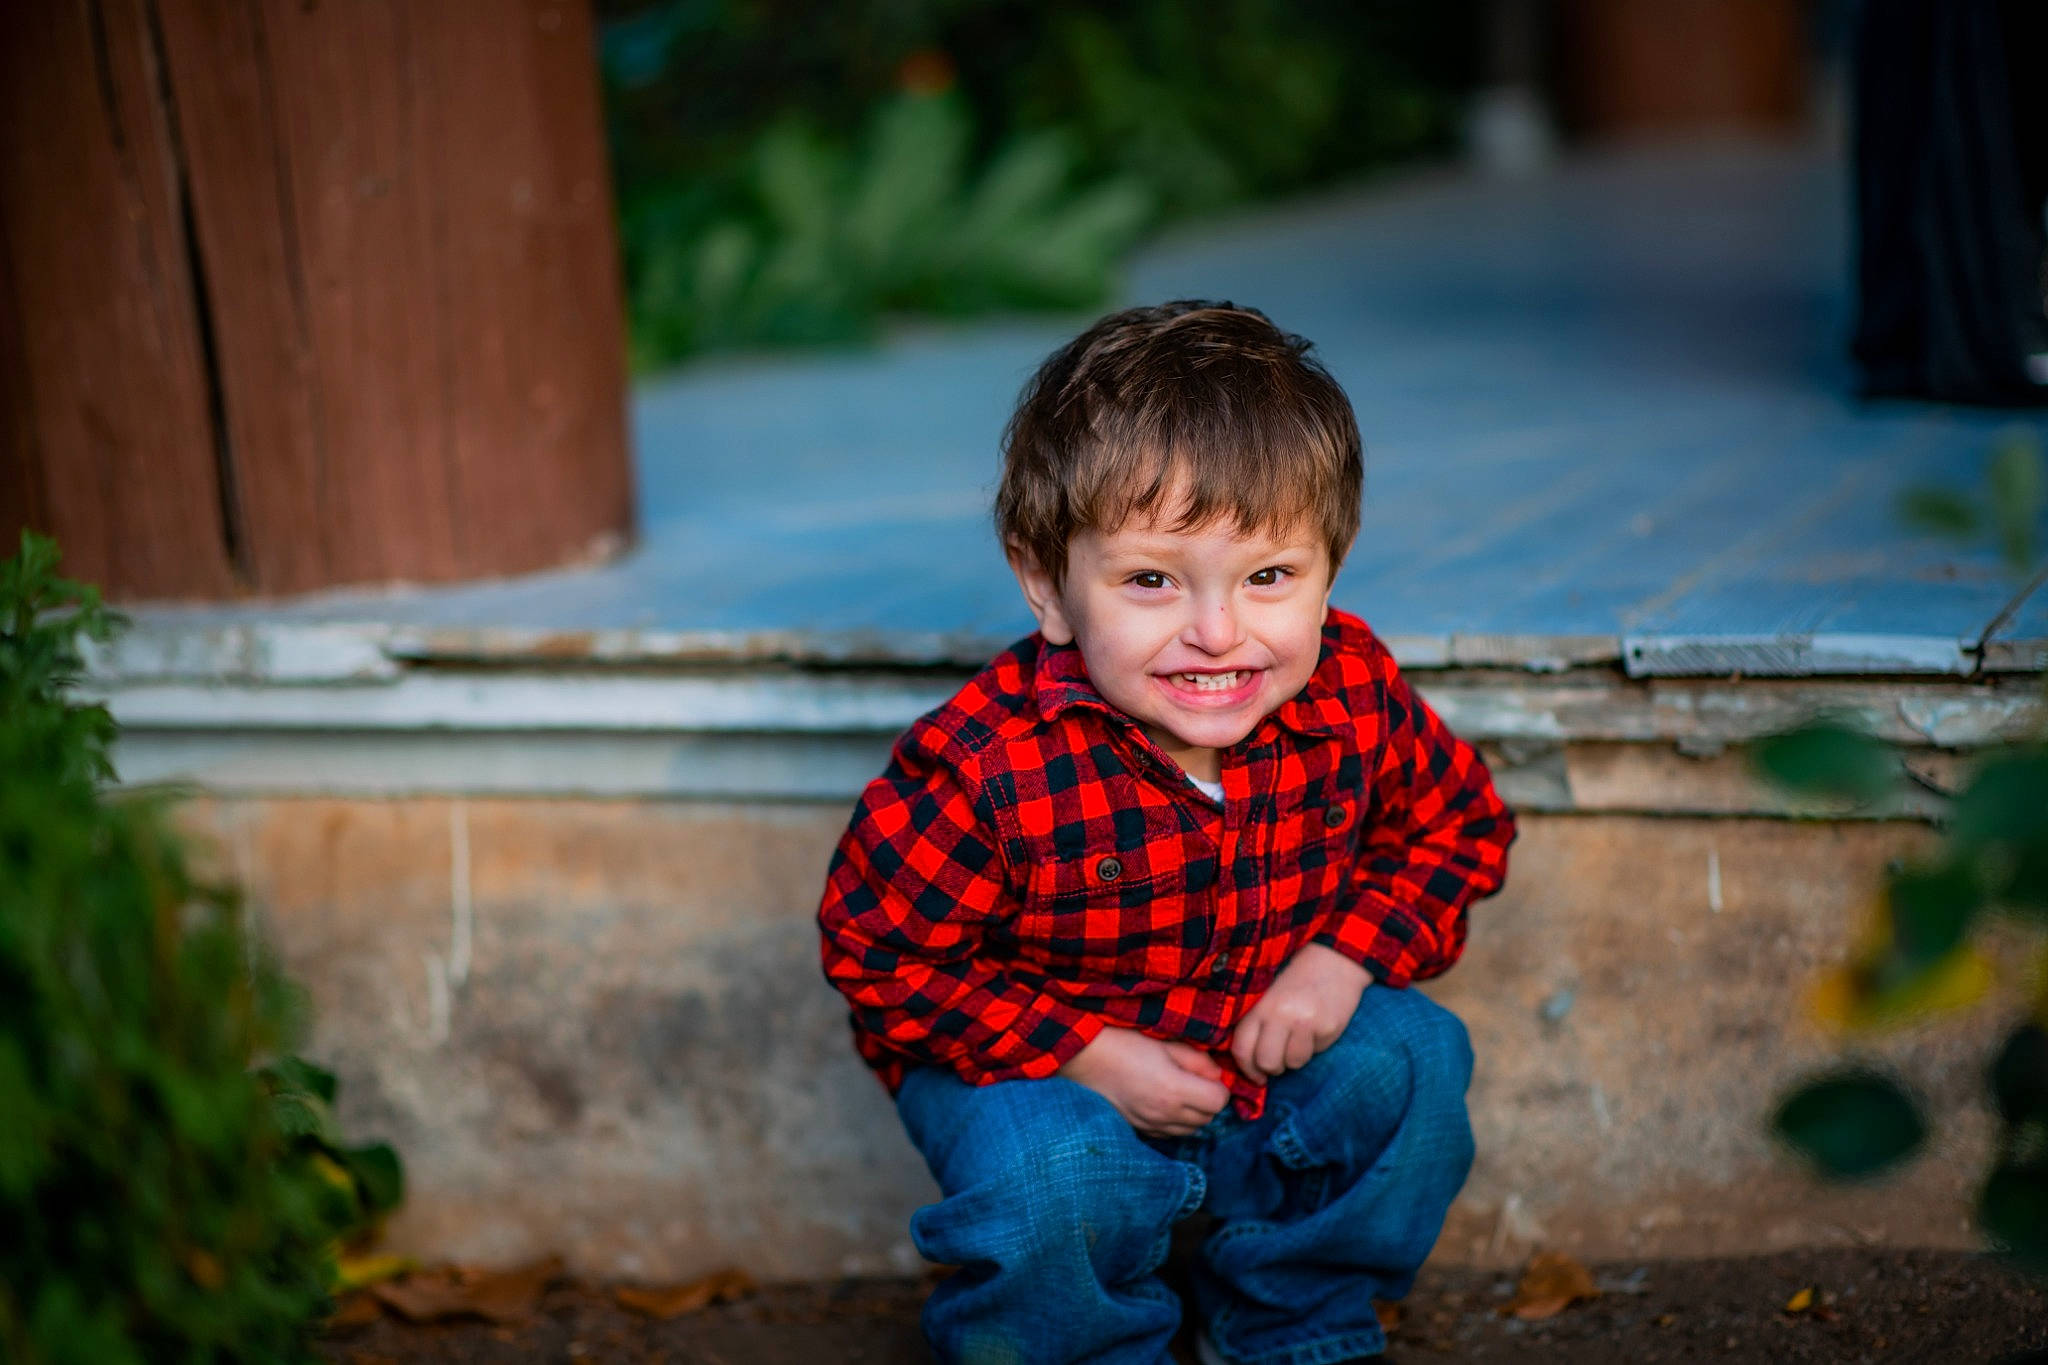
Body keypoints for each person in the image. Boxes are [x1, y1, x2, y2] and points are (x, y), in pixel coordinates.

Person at [816, 301, 1516, 1365]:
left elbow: (1455, 829)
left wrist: (1339, 961)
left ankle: (1290, 1322)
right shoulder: (984, 768)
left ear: (1332, 564)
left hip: (1253, 1054)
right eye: (1150, 580)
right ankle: (1079, 1344)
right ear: (1046, 583)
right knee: (1055, 1180)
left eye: (1268, 577)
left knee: (1412, 1057)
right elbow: (878, 955)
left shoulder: (1352, 691)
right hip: (1041, 1084)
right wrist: (1085, 1053)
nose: (1217, 633)